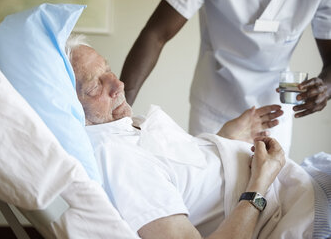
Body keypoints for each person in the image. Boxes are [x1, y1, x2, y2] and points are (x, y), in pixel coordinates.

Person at [66, 35, 327, 238]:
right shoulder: (114, 156)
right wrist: (260, 182)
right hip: (298, 208)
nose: (119, 84)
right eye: (94, 85)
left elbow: (177, 173)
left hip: (300, 181)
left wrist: (226, 138)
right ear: (69, 107)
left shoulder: (120, 129)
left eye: (108, 70)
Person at [120, 0, 331, 156]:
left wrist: (326, 87)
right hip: (216, 106)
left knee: (269, 196)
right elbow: (155, 34)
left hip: (274, 110)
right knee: (211, 196)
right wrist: (120, 107)